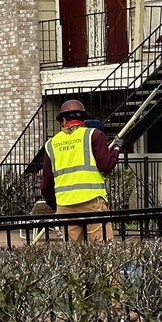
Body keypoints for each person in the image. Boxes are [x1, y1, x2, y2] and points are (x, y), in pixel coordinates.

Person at [39, 99, 123, 242]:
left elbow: (46, 184)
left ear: (63, 120)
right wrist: (116, 149)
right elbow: (106, 166)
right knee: (103, 253)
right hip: (92, 203)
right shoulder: (94, 135)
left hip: (65, 206)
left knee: (74, 256)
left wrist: (57, 205)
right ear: (83, 119)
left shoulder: (51, 144)